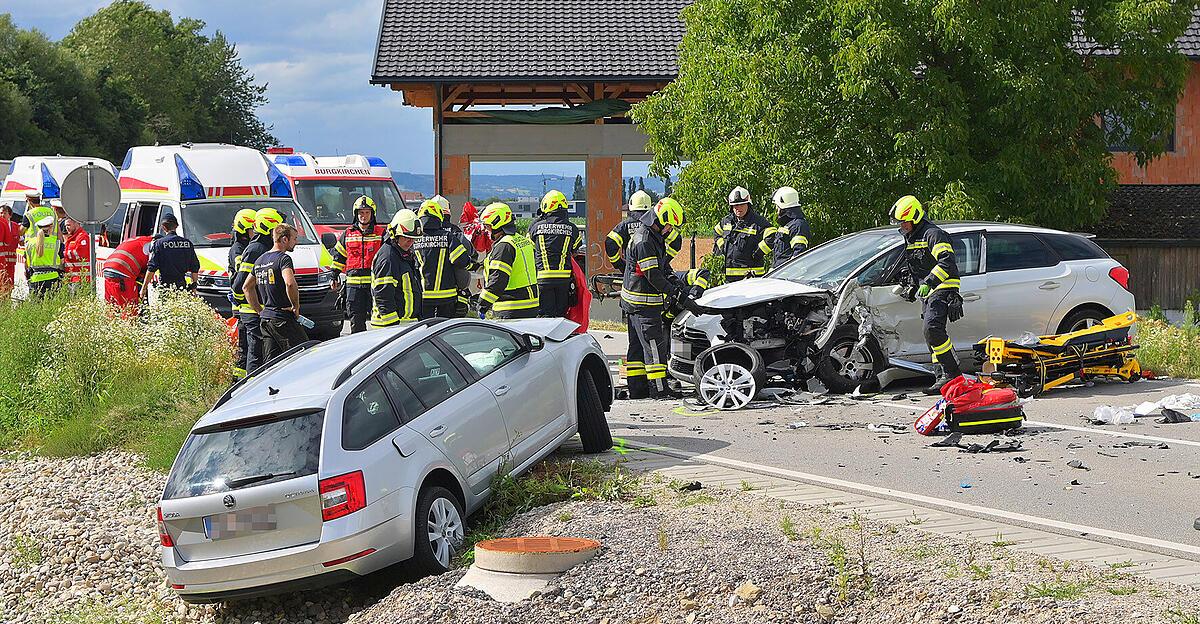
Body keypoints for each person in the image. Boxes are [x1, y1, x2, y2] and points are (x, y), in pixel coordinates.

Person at [891, 195, 964, 395]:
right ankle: (941, 376)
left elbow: (946, 262)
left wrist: (929, 282)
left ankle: (952, 373)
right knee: (929, 334)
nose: (902, 226)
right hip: (929, 290)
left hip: (942, 287)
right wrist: (913, 285)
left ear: (914, 218)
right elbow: (917, 265)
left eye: (904, 222)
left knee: (932, 329)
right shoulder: (912, 236)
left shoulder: (933, 234)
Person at [621, 198, 687, 399]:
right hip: (644, 304)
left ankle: (638, 389)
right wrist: (675, 294)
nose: (670, 230)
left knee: (636, 349)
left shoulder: (650, 236)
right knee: (654, 348)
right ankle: (659, 389)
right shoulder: (645, 240)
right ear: (660, 220)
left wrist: (673, 281)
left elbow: (661, 267)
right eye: (669, 225)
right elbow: (653, 275)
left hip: (634, 302)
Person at [231, 207, 286, 374]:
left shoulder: (262, 248)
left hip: (259, 310)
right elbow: (240, 284)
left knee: (258, 352)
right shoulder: (256, 249)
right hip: (253, 311)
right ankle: (251, 386)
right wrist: (246, 304)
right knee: (256, 354)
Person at [244, 223, 308, 359]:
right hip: (282, 318)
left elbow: (246, 287)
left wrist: (259, 311)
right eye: (294, 238)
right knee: (302, 355)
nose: (296, 242)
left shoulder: (260, 260)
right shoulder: (283, 259)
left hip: (266, 320)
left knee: (272, 363)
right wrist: (295, 306)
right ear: (284, 239)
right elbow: (290, 283)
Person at [329, 196, 387, 333]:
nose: (364, 216)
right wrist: (333, 276)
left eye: (367, 212)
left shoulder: (381, 233)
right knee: (356, 321)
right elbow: (339, 256)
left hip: (374, 285)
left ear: (372, 214)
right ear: (356, 214)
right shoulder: (348, 234)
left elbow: (388, 257)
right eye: (361, 212)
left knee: (378, 321)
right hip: (353, 287)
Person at [413, 198, 476, 319]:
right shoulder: (448, 237)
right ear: (439, 216)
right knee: (444, 328)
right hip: (447, 297)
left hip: (423, 297)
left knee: (425, 328)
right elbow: (462, 261)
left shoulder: (414, 239)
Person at [478, 202, 539, 319]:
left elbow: (497, 280)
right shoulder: (522, 241)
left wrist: (482, 304)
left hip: (511, 307)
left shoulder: (504, 246)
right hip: (531, 304)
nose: (486, 230)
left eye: (487, 226)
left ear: (496, 223)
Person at [529, 190, 582, 317]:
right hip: (563, 280)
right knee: (561, 316)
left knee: (544, 316)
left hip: (542, 278)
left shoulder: (535, 227)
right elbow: (575, 251)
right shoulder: (573, 229)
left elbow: (530, 249)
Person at [605, 190, 682, 272]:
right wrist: (664, 261)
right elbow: (676, 242)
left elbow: (610, 243)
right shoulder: (655, 224)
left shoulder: (624, 225)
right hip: (655, 271)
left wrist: (619, 264)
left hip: (633, 272)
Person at [371, 209, 424, 327]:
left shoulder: (403, 254)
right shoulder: (388, 257)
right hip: (390, 326)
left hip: (405, 324)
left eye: (413, 238)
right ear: (395, 234)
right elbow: (383, 295)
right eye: (406, 237)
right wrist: (392, 326)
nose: (410, 242)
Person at [713, 186, 772, 282]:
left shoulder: (758, 222)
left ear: (748, 204)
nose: (738, 208)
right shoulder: (727, 221)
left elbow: (772, 236)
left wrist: (758, 253)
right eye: (735, 205)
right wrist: (722, 246)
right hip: (729, 277)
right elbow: (717, 232)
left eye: (741, 205)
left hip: (751, 277)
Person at [141, 214, 200, 301]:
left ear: (164, 228)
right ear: (176, 226)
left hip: (166, 286)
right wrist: (194, 287)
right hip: (181, 285)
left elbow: (152, 268)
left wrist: (144, 288)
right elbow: (195, 267)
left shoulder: (159, 244)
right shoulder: (187, 243)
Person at [227, 209, 256, 376]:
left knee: (246, 344)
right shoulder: (238, 249)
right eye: (252, 229)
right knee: (245, 345)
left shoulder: (245, 247)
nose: (255, 232)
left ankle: (239, 376)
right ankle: (239, 379)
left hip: (243, 302)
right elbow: (242, 275)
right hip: (241, 305)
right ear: (244, 230)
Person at [102, 234, 153, 311]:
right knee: (129, 305)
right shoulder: (152, 245)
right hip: (123, 270)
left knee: (113, 304)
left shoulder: (137, 240)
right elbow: (151, 267)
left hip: (108, 268)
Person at [768, 186, 812, 266]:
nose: (777, 209)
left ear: (782, 205)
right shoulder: (788, 225)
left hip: (788, 273)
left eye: (777, 206)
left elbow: (798, 254)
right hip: (780, 271)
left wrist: (790, 271)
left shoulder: (798, 225)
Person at [24, 216, 62, 298]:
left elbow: (26, 262)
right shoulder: (57, 243)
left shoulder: (29, 243)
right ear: (51, 228)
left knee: (36, 304)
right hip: (53, 279)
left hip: (35, 279)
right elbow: (62, 262)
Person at [61, 217, 92, 292]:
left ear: (76, 223)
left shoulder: (82, 237)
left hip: (80, 279)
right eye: (66, 226)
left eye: (68, 225)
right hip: (71, 278)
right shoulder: (72, 237)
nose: (66, 228)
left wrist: (63, 254)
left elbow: (79, 254)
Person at [0, 204, 20, 294]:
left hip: (11, 262)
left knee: (10, 282)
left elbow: (21, 241)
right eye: (1, 213)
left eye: (4, 213)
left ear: (10, 215)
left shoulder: (16, 226)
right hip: (2, 261)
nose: (2, 215)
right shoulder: (2, 224)